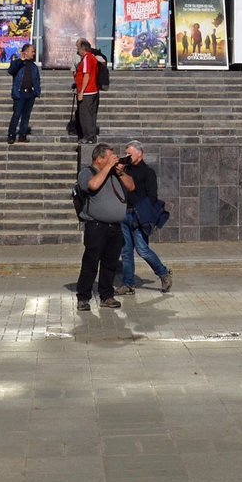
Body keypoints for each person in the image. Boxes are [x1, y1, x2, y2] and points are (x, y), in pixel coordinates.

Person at [75, 143, 134, 312]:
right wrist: (108, 168)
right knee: (91, 263)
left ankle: (106, 296)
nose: (113, 161)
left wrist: (120, 172)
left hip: (114, 227)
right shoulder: (87, 172)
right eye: (109, 158)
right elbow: (92, 186)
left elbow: (131, 187)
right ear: (100, 159)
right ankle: (83, 297)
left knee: (110, 264)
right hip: (96, 226)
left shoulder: (114, 173)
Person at [116, 142, 172, 296]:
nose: (126, 156)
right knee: (126, 251)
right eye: (126, 153)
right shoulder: (124, 170)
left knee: (142, 249)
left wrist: (139, 206)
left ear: (139, 154)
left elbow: (152, 196)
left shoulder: (147, 172)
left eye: (129, 153)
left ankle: (163, 273)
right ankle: (127, 283)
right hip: (124, 214)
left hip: (138, 215)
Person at [7, 43, 41, 143]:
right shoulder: (17, 63)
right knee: (17, 115)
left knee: (26, 116)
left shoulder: (34, 67)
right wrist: (20, 61)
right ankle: (11, 135)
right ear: (25, 52)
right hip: (19, 93)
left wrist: (36, 92)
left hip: (30, 94)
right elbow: (11, 71)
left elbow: (37, 79)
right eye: (32, 51)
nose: (33, 54)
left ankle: (22, 135)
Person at [73, 39, 102, 145]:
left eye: (78, 49)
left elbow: (87, 74)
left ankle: (88, 136)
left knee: (85, 115)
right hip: (93, 91)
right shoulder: (93, 58)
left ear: (83, 49)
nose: (77, 51)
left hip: (87, 92)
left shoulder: (87, 58)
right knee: (91, 115)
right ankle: (91, 136)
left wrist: (81, 92)